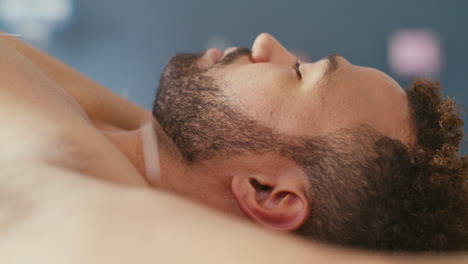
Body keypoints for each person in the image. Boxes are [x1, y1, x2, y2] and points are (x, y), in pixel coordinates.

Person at [0, 30, 465, 258]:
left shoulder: (72, 197)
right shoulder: (129, 144)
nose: (266, 43)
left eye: (300, 73)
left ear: (269, 194)